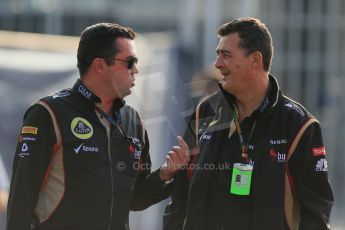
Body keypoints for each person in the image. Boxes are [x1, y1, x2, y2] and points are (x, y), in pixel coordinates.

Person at [6, 22, 190, 230]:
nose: (136, 70)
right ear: (100, 66)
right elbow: (22, 195)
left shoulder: (132, 120)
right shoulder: (49, 112)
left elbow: (135, 199)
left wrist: (164, 175)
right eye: (129, 62)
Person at [163, 17, 334, 230]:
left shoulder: (299, 125)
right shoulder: (205, 111)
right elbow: (180, 197)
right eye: (218, 55)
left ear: (255, 60)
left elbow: (316, 213)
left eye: (225, 55)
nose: (217, 64)